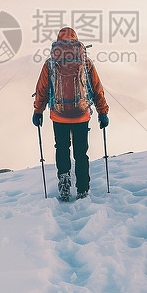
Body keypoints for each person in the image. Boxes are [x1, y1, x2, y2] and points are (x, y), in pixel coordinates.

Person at [33, 27, 109, 200]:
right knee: (81, 152)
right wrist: (102, 112)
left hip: (58, 115)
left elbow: (42, 90)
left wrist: (38, 111)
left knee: (62, 148)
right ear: (76, 41)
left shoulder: (50, 63)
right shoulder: (85, 62)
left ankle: (64, 178)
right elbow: (96, 88)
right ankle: (82, 188)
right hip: (81, 114)